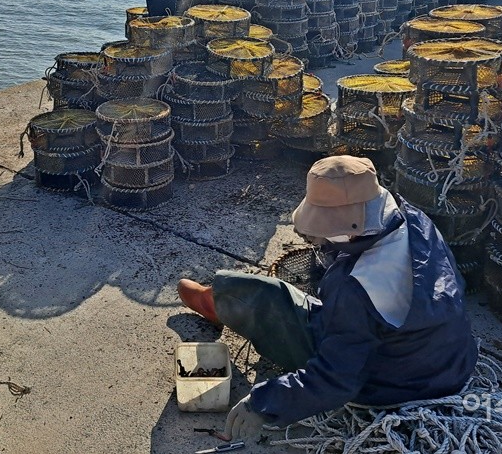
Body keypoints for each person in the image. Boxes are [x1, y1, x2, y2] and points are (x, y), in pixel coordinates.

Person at [177, 155, 478, 441]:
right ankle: (222, 300)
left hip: (390, 386)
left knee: (265, 296)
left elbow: (336, 380)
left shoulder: (357, 289)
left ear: (352, 227)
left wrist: (264, 403)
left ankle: (220, 299)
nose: (317, 238)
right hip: (449, 364)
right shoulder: (412, 218)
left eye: (324, 228)